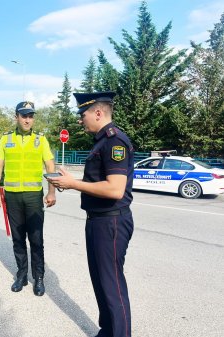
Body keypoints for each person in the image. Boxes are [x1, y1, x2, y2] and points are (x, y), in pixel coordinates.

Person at [47, 92, 134, 337]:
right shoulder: (100, 142)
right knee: (101, 283)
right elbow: (98, 181)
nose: (80, 120)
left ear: (98, 112)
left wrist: (74, 184)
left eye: (82, 114)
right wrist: (71, 181)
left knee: (112, 286)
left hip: (111, 221)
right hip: (98, 221)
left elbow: (115, 189)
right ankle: (108, 331)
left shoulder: (114, 142)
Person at [0, 101, 56, 296]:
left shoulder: (41, 140)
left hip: (33, 197)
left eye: (30, 116)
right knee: (18, 239)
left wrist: (51, 192)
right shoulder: (6, 139)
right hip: (12, 197)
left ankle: (38, 278)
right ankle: (21, 275)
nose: (28, 119)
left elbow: (50, 166)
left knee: (36, 240)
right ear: (16, 117)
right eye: (24, 115)